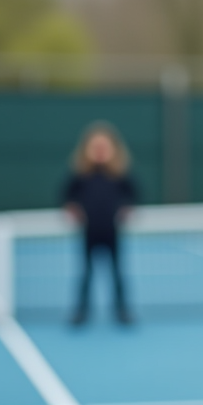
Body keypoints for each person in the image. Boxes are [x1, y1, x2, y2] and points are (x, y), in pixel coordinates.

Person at [63, 122, 139, 325]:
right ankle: (81, 311)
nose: (100, 151)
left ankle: (122, 310)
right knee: (86, 273)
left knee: (117, 273)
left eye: (104, 147)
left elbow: (132, 196)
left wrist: (126, 208)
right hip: (89, 232)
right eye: (95, 147)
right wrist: (72, 208)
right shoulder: (80, 176)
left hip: (112, 232)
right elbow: (67, 197)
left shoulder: (120, 176)